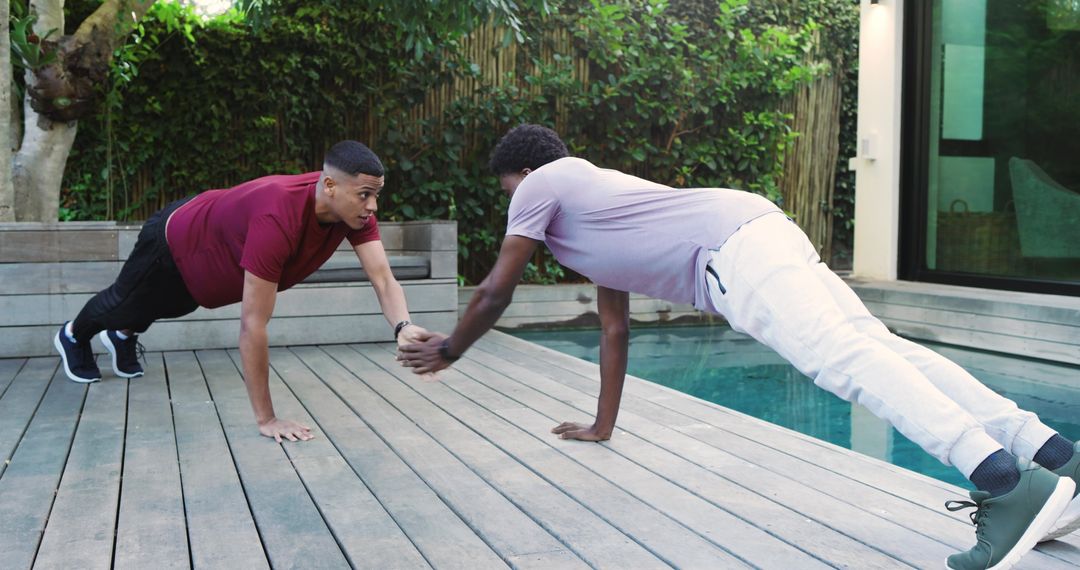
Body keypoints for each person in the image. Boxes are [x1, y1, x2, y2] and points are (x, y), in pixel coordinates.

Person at [399, 124, 1080, 569]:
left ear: (521, 174)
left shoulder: (546, 183)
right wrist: (602, 426)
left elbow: (493, 291)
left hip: (733, 254)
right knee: (880, 346)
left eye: (506, 190)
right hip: (756, 229)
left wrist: (450, 349)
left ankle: (1003, 483)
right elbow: (613, 329)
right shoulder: (599, 210)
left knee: (844, 360)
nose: (512, 204)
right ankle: (1055, 457)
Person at [55, 140, 432, 443]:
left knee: (175, 304)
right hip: (174, 240)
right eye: (365, 194)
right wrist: (266, 419)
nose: (373, 205)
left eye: (376, 195)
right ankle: (73, 335)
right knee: (122, 300)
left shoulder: (351, 213)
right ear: (330, 185)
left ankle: (122, 335)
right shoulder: (278, 218)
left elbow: (383, 278)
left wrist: (403, 327)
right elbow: (254, 325)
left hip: (208, 262)